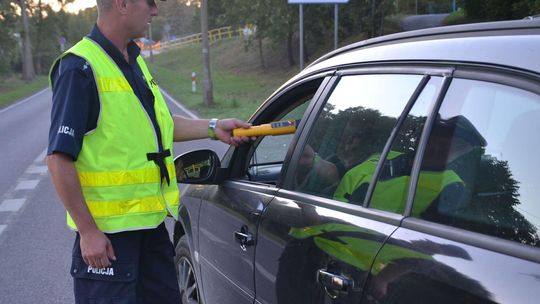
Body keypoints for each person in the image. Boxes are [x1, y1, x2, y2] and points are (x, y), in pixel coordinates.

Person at [46, 0, 251, 303]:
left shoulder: (133, 59)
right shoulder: (80, 67)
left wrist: (213, 127)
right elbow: (58, 159)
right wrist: (88, 232)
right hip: (109, 240)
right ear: (123, 4)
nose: (155, 11)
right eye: (150, 3)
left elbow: (161, 124)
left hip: (151, 230)